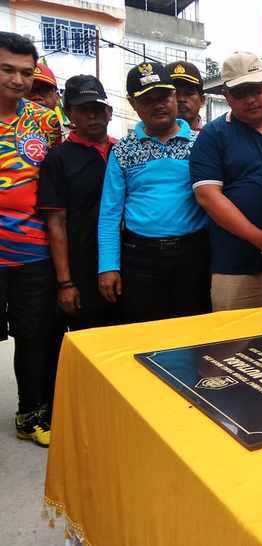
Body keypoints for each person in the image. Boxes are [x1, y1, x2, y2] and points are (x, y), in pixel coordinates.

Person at [98, 62, 209, 323]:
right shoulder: (122, 150)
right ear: (133, 104)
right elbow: (110, 214)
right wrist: (108, 267)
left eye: (163, 97)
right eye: (147, 100)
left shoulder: (201, 144)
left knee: (194, 333)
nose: (158, 105)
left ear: (173, 97)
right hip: (140, 259)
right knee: (144, 335)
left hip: (193, 256)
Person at [190, 52, 262, 311]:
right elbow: (208, 196)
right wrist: (258, 237)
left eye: (256, 89)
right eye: (240, 93)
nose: (250, 99)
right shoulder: (213, 136)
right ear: (227, 97)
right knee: (234, 345)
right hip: (235, 265)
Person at [0, 32, 61, 447]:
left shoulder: (45, 121)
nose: (18, 80)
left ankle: (31, 414)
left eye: (26, 72)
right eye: (7, 69)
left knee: (34, 338)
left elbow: (57, 185)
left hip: (34, 253)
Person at [38, 75, 119, 330]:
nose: (92, 116)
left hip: (128, 264)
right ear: (70, 113)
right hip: (82, 269)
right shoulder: (58, 159)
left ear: (109, 112)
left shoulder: (124, 151)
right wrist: (65, 283)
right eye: (83, 110)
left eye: (97, 109)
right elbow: (56, 223)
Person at [167, 61, 205, 131]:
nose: (181, 99)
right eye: (174, 94)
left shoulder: (214, 137)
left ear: (202, 100)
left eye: (189, 93)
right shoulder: (147, 139)